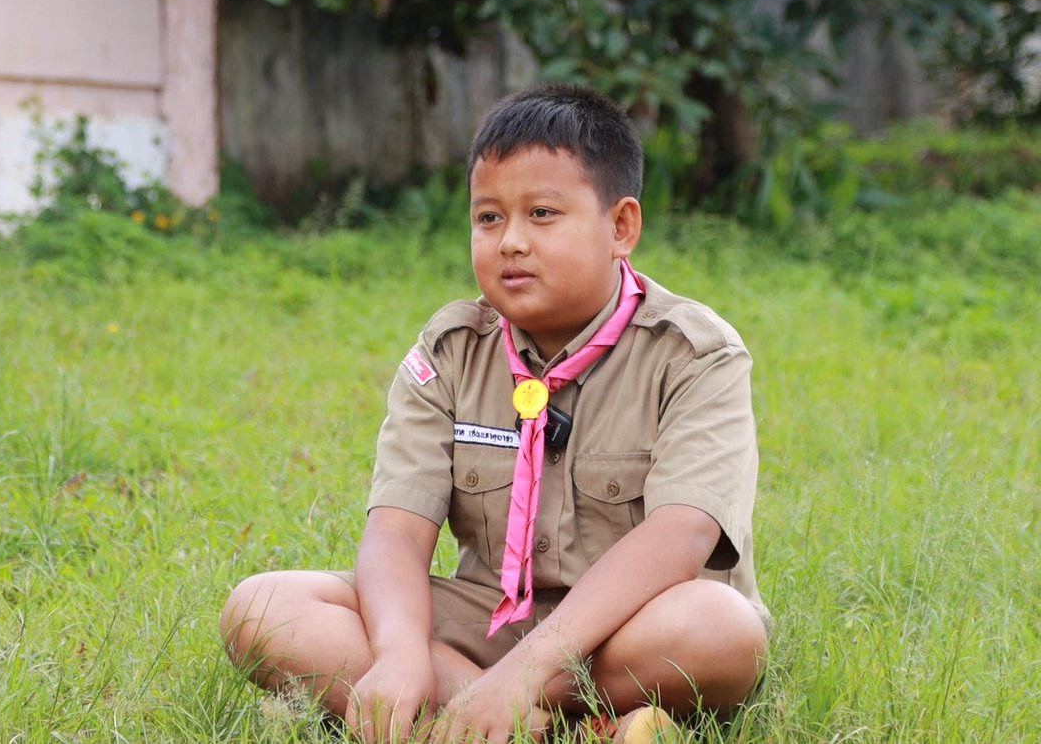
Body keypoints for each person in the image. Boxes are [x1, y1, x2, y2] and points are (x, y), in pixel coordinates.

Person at [221, 84, 769, 744]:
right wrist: (399, 653)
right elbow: (398, 530)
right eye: (488, 218)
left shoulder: (694, 353)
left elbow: (680, 536)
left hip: (629, 630)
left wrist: (529, 670)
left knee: (721, 627)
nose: (510, 241)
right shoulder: (449, 351)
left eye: (542, 213)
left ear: (621, 226)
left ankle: (476, 712)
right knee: (262, 609)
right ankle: (566, 727)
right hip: (489, 620)